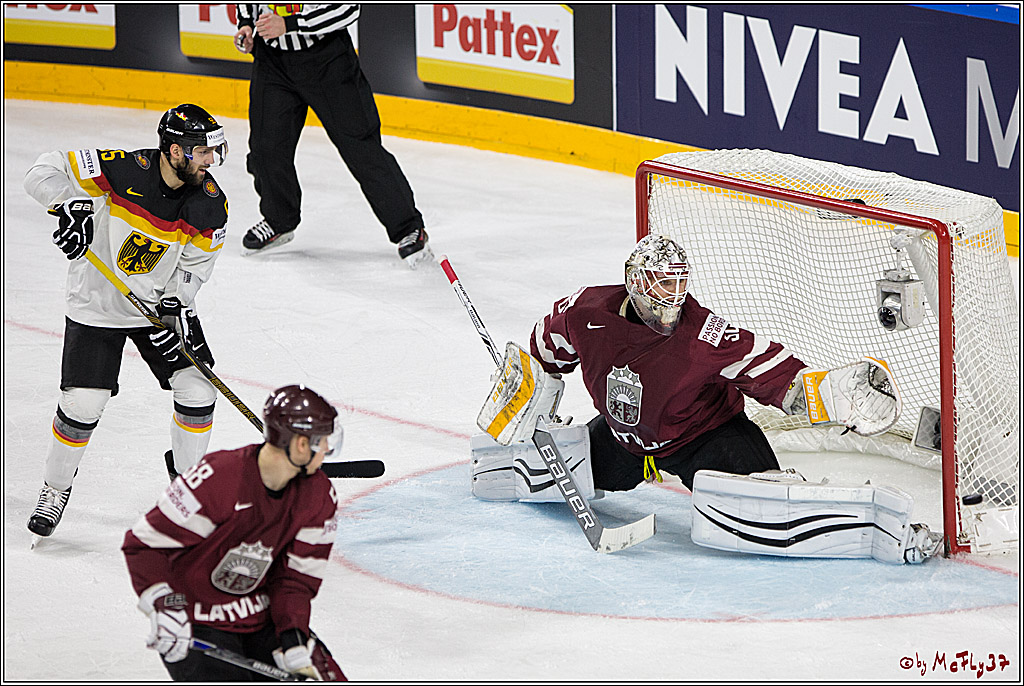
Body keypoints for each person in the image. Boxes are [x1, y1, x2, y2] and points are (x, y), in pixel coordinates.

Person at [22, 104, 229, 539]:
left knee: (197, 387)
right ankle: (55, 488)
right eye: (202, 152)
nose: (210, 161)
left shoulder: (210, 205)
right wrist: (71, 204)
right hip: (97, 305)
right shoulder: (120, 169)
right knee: (83, 404)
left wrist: (176, 303)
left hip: (154, 309)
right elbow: (41, 171)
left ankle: (186, 491)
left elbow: (195, 264)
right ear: (175, 151)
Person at [122, 384, 347, 681]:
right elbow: (146, 545)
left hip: (263, 619)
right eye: (322, 442)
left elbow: (295, 580)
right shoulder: (218, 479)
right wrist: (166, 607)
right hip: (194, 623)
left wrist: (293, 641)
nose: (327, 451)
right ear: (301, 445)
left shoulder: (317, 496)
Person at [233, 4, 432, 267]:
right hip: (273, 61)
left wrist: (290, 25)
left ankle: (408, 227)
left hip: (327, 60)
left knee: (361, 147)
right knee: (265, 149)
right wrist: (246, 23)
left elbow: (347, 9)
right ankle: (279, 219)